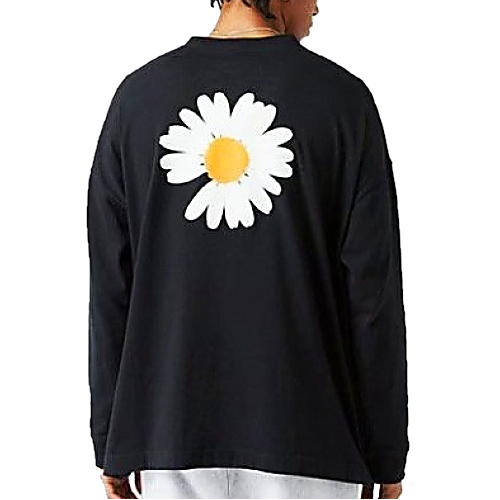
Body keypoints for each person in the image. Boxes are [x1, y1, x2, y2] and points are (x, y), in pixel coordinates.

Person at [86, 0, 409, 498]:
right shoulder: (342, 101)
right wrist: (386, 454)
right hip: (312, 446)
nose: (318, 5)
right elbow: (372, 297)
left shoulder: (138, 99)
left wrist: (112, 440)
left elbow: (111, 288)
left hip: (167, 439)